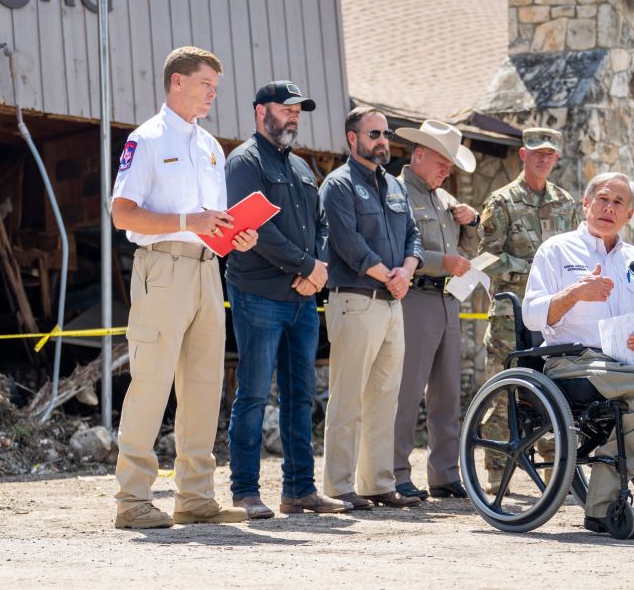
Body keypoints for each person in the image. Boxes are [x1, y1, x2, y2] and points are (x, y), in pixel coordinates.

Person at [111, 46, 259, 530]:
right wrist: (186, 220)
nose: (213, 93)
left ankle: (194, 497)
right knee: (151, 382)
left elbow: (209, 222)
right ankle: (132, 499)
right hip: (162, 268)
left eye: (216, 86)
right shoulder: (147, 139)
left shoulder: (211, 147)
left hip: (206, 270)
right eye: (206, 84)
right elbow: (123, 213)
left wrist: (236, 234)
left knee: (202, 386)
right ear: (177, 81)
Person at [523, 172, 634, 540]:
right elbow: (531, 314)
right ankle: (604, 507)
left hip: (626, 364)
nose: (609, 207)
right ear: (586, 204)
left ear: (630, 214)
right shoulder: (557, 250)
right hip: (573, 362)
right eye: (602, 199)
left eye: (618, 202)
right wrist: (574, 294)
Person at [224, 81, 351, 519]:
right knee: (255, 394)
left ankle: (299, 491)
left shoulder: (300, 168)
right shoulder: (244, 162)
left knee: (301, 398)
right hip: (259, 294)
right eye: (288, 108)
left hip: (302, 298)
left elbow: (323, 226)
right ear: (262, 112)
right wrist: (305, 266)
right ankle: (245, 491)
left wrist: (317, 268)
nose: (295, 115)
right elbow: (255, 232)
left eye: (300, 110)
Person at [319, 106, 424, 509]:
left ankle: (377, 482)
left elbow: (413, 234)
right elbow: (347, 243)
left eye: (385, 134)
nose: (383, 141)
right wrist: (390, 276)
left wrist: (408, 271)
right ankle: (339, 485)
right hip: (356, 300)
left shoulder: (395, 186)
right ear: (353, 139)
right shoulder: (338, 185)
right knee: (347, 397)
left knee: (384, 397)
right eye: (375, 134)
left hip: (392, 304)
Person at [478, 127, 580, 490]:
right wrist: (530, 266)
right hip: (512, 315)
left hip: (554, 315)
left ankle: (555, 466)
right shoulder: (502, 201)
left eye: (550, 154)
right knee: (503, 389)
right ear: (523, 155)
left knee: (554, 389)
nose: (543, 158)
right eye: (537, 152)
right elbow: (486, 257)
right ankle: (494, 468)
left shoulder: (566, 203)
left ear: (556, 158)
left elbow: (575, 257)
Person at [392, 120, 479, 501]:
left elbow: (468, 252)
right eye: (442, 162)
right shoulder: (396, 192)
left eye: (450, 165)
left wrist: (472, 224)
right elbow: (394, 250)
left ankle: (445, 474)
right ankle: (395, 473)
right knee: (406, 392)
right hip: (415, 298)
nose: (447, 171)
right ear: (419, 154)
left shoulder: (445, 201)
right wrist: (439, 261)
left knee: (447, 394)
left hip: (447, 300)